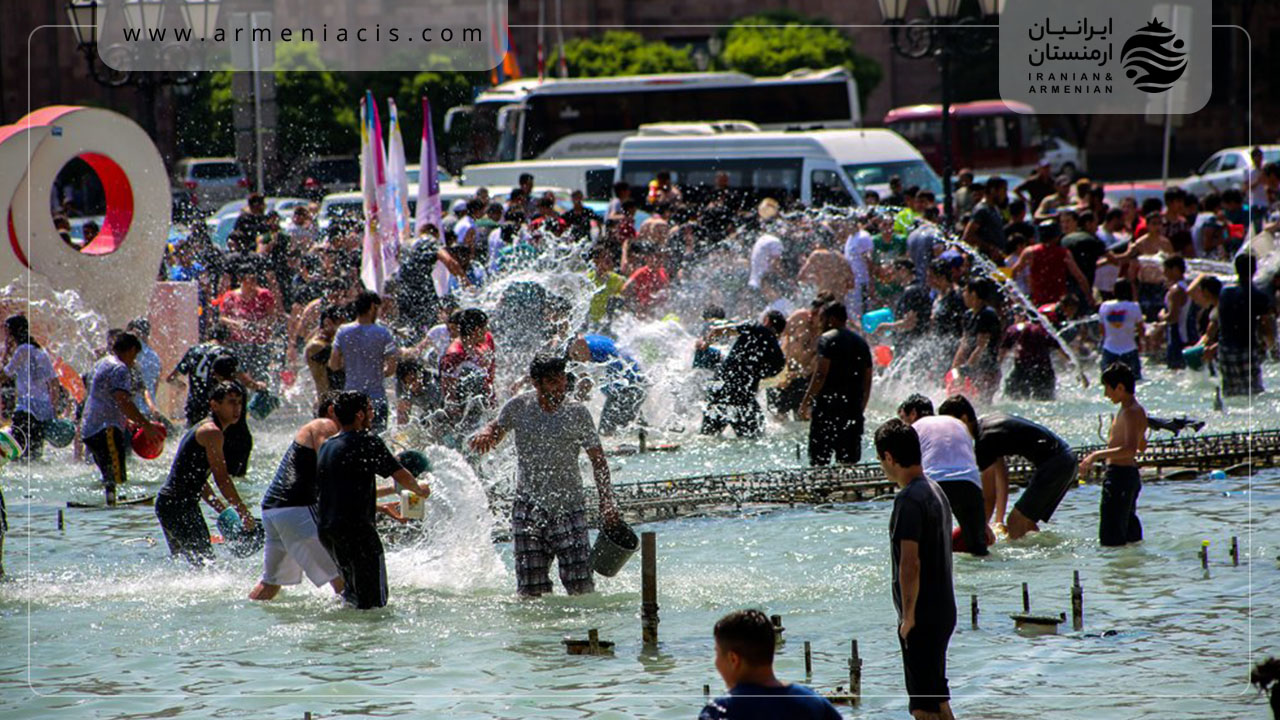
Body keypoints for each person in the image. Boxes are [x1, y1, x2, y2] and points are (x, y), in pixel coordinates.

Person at [469, 355, 620, 597]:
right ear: (536, 383)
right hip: (528, 509)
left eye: (561, 380)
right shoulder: (519, 407)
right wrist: (485, 433)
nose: (559, 387)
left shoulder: (577, 413)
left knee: (581, 587)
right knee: (530, 591)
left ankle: (583, 631)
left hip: (569, 508)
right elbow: (496, 430)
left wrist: (607, 502)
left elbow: (598, 461)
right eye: (551, 381)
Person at [316, 391, 431, 609]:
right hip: (357, 532)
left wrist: (380, 507)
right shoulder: (367, 441)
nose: (373, 413)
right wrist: (419, 489)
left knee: (352, 597)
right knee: (374, 605)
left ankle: (349, 640)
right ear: (359, 415)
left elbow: (338, 491)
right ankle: (368, 642)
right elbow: (399, 473)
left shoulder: (327, 446)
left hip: (328, 531)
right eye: (369, 409)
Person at [874, 418, 957, 720]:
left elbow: (911, 562)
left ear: (889, 457)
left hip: (922, 616)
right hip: (944, 610)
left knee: (923, 709)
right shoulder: (935, 491)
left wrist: (908, 617)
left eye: (881, 459)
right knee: (938, 700)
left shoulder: (908, 499)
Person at [938, 395, 1076, 541]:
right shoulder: (986, 428)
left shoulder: (984, 441)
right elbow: (1002, 476)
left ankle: (1033, 561)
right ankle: (1051, 557)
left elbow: (989, 497)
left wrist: (978, 531)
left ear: (964, 419)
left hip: (1056, 463)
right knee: (1025, 524)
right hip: (1066, 460)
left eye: (951, 425)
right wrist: (998, 520)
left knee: (1015, 522)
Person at [249, 395, 344, 600]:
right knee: (343, 579)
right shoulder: (324, 424)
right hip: (297, 510)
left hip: (274, 510)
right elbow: (330, 467)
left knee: (270, 585)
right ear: (332, 411)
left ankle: (241, 621)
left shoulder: (314, 430)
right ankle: (359, 630)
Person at [154, 382, 257, 565]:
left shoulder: (207, 428)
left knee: (189, 565)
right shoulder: (212, 432)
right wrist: (244, 513)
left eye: (240, 402)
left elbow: (196, 477)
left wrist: (221, 508)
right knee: (206, 566)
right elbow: (222, 479)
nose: (237, 408)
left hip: (171, 504)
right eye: (231, 402)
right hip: (178, 505)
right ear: (214, 405)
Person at [698, 608, 842, 720]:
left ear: (733, 659)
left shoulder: (720, 710)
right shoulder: (813, 703)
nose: (716, 662)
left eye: (717, 654)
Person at [898, 394, 988, 556]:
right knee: (979, 550)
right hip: (970, 485)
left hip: (936, 486)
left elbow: (909, 470)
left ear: (912, 415)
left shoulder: (914, 429)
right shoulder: (957, 424)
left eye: (903, 418)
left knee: (929, 551)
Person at [81, 332, 165, 505]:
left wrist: (127, 420)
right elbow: (123, 400)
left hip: (91, 427)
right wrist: (146, 425)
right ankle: (114, 508)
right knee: (116, 473)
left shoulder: (103, 362)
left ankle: (112, 501)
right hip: (106, 428)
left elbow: (105, 397)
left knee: (109, 473)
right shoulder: (120, 368)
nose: (134, 361)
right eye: (135, 355)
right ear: (132, 350)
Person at [1079, 363, 1148, 546]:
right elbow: (1142, 445)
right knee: (1128, 533)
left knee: (1111, 538)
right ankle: (1130, 572)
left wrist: (1095, 455)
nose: (1106, 394)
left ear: (1120, 387)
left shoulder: (1131, 412)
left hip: (1120, 477)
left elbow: (1130, 450)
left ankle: (1115, 574)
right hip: (1128, 476)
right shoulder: (1135, 410)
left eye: (1107, 388)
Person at [799, 302, 872, 466]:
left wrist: (806, 403)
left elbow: (820, 374)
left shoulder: (826, 339)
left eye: (822, 318)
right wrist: (860, 408)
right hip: (852, 409)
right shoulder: (861, 342)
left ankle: (823, 492)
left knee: (819, 461)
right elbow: (868, 380)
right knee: (848, 463)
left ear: (831, 319)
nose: (819, 323)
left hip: (827, 409)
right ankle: (849, 492)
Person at [699, 311, 787, 439]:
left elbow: (720, 330)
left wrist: (705, 344)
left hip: (720, 389)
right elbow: (768, 377)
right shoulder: (778, 357)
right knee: (755, 439)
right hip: (744, 397)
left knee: (708, 437)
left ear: (767, 320)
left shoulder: (754, 327)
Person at [329, 291, 397, 432]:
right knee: (377, 442)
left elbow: (333, 365)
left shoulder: (343, 332)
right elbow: (391, 369)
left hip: (350, 400)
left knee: (350, 443)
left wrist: (352, 367)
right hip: (376, 399)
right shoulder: (383, 333)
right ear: (372, 307)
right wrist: (376, 373)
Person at [167, 326, 262, 427]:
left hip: (194, 406)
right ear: (227, 339)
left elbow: (171, 378)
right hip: (217, 407)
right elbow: (245, 381)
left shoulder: (193, 351)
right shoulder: (226, 353)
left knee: (194, 437)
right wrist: (259, 386)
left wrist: (181, 385)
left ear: (208, 336)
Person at [1209, 253, 1275, 397]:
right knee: (1253, 394)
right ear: (1255, 270)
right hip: (1246, 348)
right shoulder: (1258, 295)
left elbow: (1216, 320)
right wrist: (1271, 344)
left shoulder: (1225, 293)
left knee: (1230, 393)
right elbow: (1265, 324)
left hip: (1225, 349)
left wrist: (1210, 343)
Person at [2, 315, 59, 460]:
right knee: (34, 455)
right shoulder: (40, 351)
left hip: (26, 409)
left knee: (18, 454)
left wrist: (7, 351)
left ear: (12, 332)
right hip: (42, 410)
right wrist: (53, 410)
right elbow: (54, 382)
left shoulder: (22, 350)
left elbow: (3, 376)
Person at [566, 334, 646, 436]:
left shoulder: (596, 350)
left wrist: (576, 400)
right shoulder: (588, 342)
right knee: (632, 423)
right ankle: (646, 435)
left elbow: (587, 382)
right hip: (633, 386)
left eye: (575, 355)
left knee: (606, 431)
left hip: (629, 389)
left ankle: (643, 440)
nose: (575, 360)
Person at [951, 278, 1003, 404]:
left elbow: (981, 346)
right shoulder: (968, 315)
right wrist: (954, 369)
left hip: (987, 369)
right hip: (973, 367)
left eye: (965, 292)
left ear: (973, 294)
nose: (963, 295)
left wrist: (967, 369)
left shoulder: (987, 315)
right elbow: (965, 344)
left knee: (982, 403)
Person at [1097, 279, 1145, 381]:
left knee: (1107, 383)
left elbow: (1102, 331)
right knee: (1134, 383)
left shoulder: (1104, 306)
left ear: (1114, 291)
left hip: (1109, 349)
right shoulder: (1134, 306)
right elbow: (1141, 330)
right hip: (1130, 349)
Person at [1159, 255, 1194, 370]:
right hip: (1187, 333)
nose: (1164, 273)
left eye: (1166, 270)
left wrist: (1162, 316)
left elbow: (1173, 317)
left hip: (1177, 336)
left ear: (1175, 270)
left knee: (1176, 370)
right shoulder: (1187, 286)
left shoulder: (1176, 291)